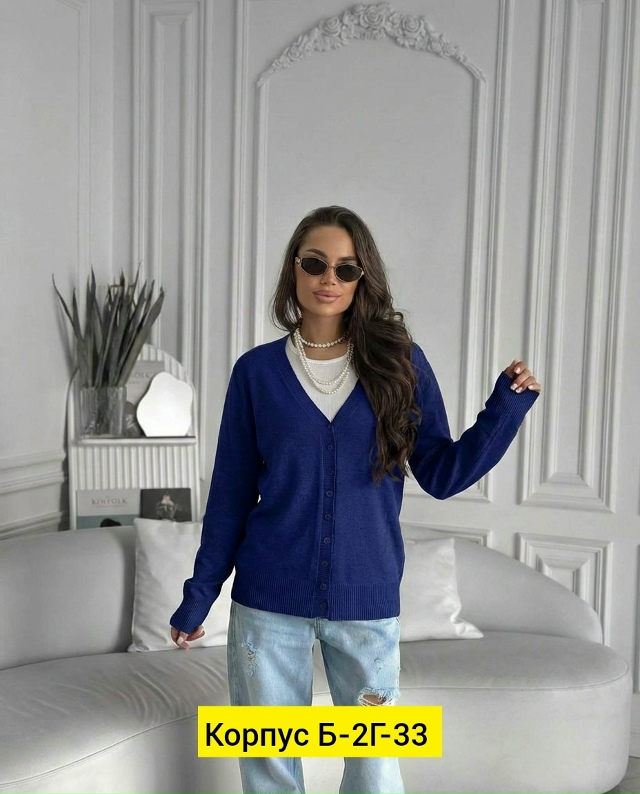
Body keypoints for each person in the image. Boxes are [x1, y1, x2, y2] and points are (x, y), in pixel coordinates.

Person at [169, 206, 540, 794]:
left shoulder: (400, 363)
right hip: (267, 602)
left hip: (366, 599)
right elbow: (231, 495)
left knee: (375, 770)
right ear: (293, 269)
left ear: (363, 277)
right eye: (315, 263)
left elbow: (441, 473)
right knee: (268, 769)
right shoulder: (256, 373)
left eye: (346, 268)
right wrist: (199, 596)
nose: (330, 279)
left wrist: (505, 410)